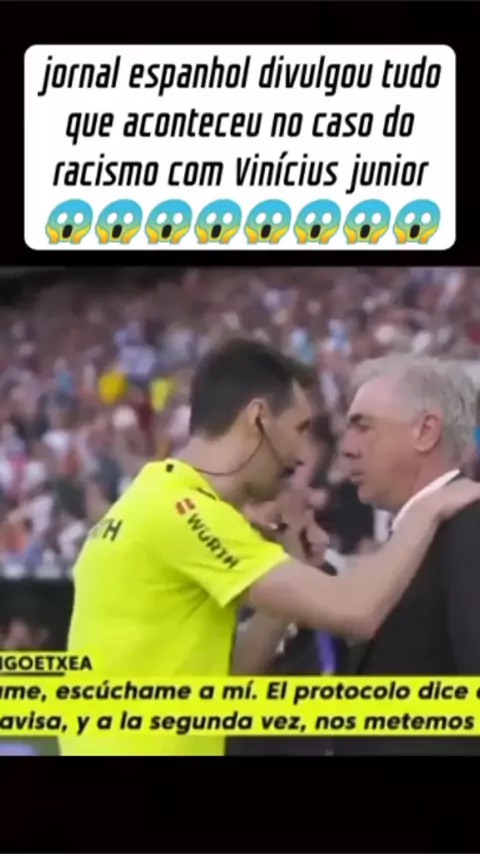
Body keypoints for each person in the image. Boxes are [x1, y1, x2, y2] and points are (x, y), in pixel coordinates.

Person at [60, 339, 480, 756]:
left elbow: (226, 677)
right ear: (258, 418)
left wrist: (292, 573)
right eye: (300, 429)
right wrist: (430, 508)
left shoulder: (153, 497)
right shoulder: (183, 511)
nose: (302, 456)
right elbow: (356, 612)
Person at [337, 354, 480, 755]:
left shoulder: (470, 527)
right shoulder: (420, 529)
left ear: (425, 431)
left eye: (363, 426)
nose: (347, 448)